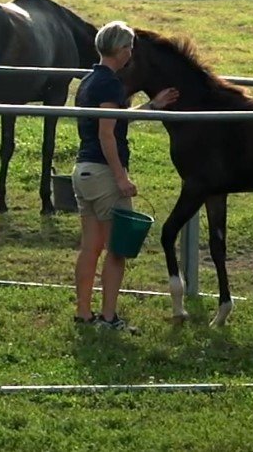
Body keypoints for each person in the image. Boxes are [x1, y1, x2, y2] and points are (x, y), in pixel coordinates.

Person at [72, 21, 177, 334]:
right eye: (129, 47)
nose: (131, 53)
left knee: (90, 247)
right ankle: (109, 318)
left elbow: (115, 121)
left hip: (84, 171)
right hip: (105, 174)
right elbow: (107, 134)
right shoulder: (111, 85)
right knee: (117, 250)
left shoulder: (89, 81)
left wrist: (151, 106)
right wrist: (120, 178)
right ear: (121, 50)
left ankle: (83, 313)